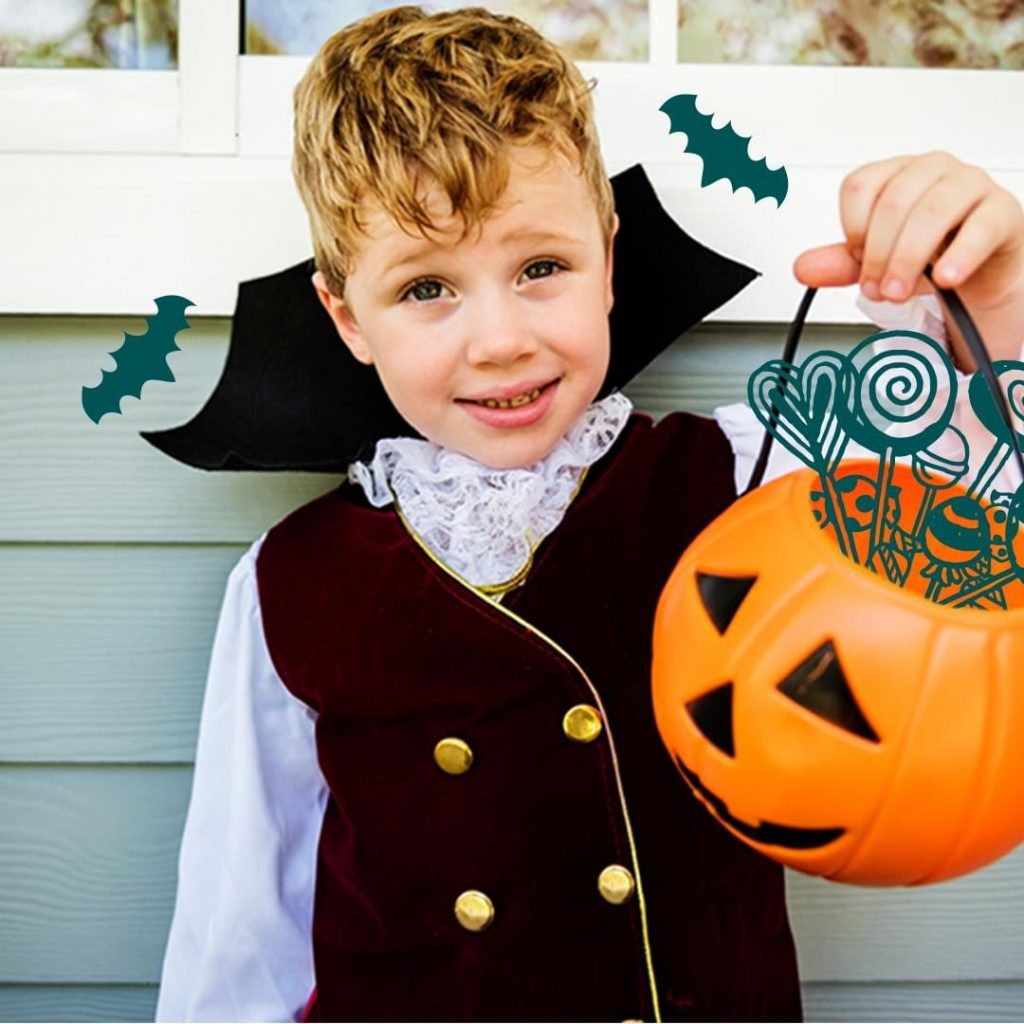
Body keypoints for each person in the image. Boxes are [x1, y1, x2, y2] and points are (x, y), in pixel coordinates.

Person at [153, 5, 1024, 1021]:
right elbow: (240, 927)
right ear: (347, 316)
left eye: (540, 269)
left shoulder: (750, 477)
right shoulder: (285, 583)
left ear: (609, 260)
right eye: (427, 286)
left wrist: (998, 300)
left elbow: (983, 508)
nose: (499, 341)